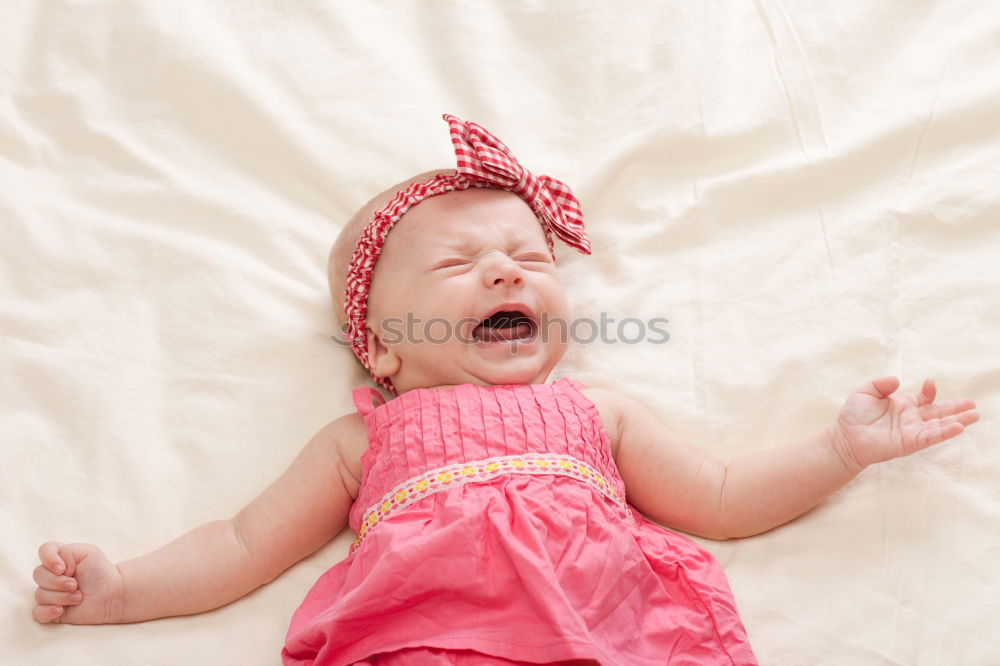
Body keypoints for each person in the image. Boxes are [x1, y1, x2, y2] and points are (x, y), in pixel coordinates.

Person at [31, 115, 980, 665]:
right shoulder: (359, 442)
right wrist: (124, 592)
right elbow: (242, 544)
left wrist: (841, 449)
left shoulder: (594, 411)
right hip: (431, 641)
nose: (504, 273)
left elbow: (724, 501)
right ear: (380, 349)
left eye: (529, 256)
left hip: (613, 636)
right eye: (456, 264)